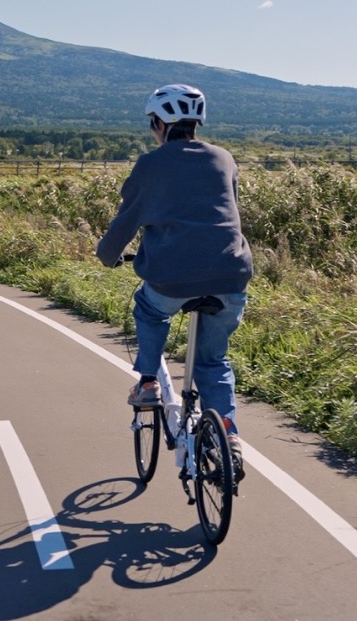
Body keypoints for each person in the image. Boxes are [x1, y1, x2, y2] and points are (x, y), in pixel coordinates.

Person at [96, 84, 253, 478]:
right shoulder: (224, 158)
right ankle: (229, 434)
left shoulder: (150, 165)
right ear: (196, 123)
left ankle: (148, 382)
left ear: (158, 124)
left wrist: (108, 256)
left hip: (170, 278)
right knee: (213, 361)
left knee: (149, 310)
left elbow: (125, 222)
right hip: (230, 276)